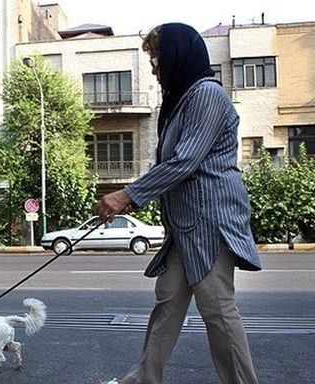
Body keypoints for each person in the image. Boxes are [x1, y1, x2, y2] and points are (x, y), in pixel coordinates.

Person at [95, 23, 262, 384]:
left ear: (175, 58)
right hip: (184, 226)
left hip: (211, 223)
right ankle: (143, 379)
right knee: (167, 305)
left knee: (217, 311)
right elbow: (172, 166)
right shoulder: (180, 102)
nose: (154, 71)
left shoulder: (206, 95)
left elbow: (185, 162)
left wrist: (127, 194)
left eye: (157, 61)